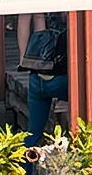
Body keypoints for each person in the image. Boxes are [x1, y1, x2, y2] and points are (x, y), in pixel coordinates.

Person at [26, 12, 69, 146]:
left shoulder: (40, 20)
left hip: (36, 80)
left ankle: (25, 165)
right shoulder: (69, 31)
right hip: (61, 81)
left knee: (32, 134)